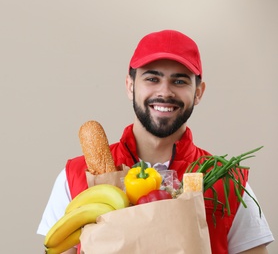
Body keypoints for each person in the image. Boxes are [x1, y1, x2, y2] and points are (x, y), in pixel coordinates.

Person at [37, 29, 274, 253]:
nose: (165, 92)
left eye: (179, 81)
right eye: (152, 79)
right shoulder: (76, 176)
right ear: (130, 86)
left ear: (198, 92)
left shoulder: (228, 181)